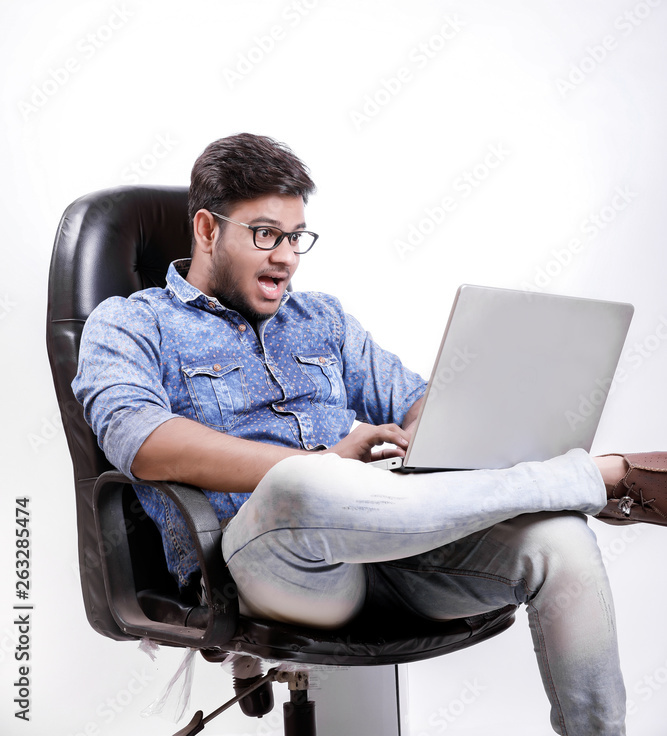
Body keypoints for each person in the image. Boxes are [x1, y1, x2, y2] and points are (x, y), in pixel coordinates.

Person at [73, 132, 667, 736]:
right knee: (303, 480)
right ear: (206, 230)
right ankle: (584, 477)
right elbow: (145, 444)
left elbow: (418, 407)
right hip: (263, 565)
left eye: (297, 237)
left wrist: (455, 418)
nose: (287, 257)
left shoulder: (321, 318)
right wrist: (322, 461)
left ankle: (568, 499)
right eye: (266, 235)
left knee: (561, 538)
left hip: (392, 553)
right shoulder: (131, 323)